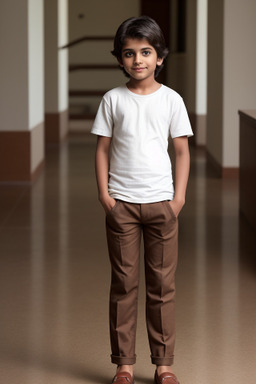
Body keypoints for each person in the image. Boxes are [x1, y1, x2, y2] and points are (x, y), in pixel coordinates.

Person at [91, 16, 193, 384]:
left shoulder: (172, 100)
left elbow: (181, 151)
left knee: (162, 286)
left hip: (163, 205)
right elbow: (102, 150)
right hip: (122, 207)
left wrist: (178, 199)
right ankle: (124, 364)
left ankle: (164, 364)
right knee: (124, 284)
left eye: (146, 52)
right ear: (120, 58)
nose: (138, 60)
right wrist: (105, 195)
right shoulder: (112, 100)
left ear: (160, 57)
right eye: (129, 53)